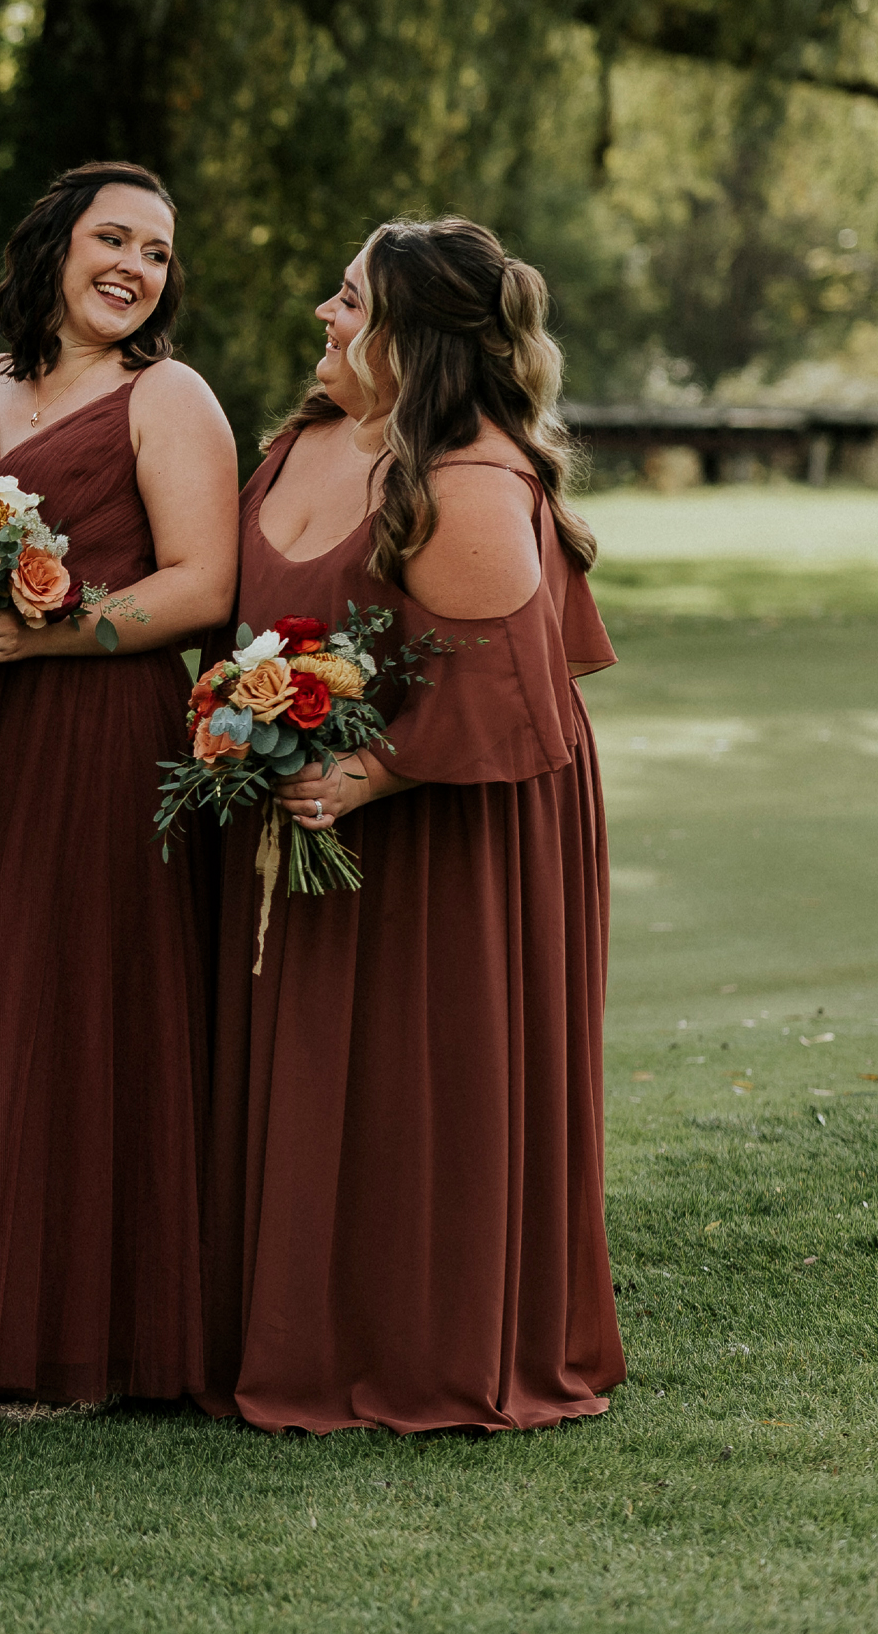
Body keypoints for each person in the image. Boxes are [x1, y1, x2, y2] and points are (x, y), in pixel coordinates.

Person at [201, 215, 624, 1434]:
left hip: (450, 837)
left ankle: (424, 1341)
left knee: (413, 1084)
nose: (323, 317)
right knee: (320, 1074)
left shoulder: (469, 479)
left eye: (347, 300)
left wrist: (370, 771)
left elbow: (500, 677)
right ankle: (291, 1324)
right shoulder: (309, 437)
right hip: (303, 812)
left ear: (415, 337)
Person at [0, 162, 238, 1413]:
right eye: (113, 238)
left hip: (100, 734)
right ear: (56, 244)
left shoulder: (169, 397)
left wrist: (51, 631)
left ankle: (78, 1342)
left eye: (155, 250)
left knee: (77, 1008)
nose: (135, 266)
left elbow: (202, 586)